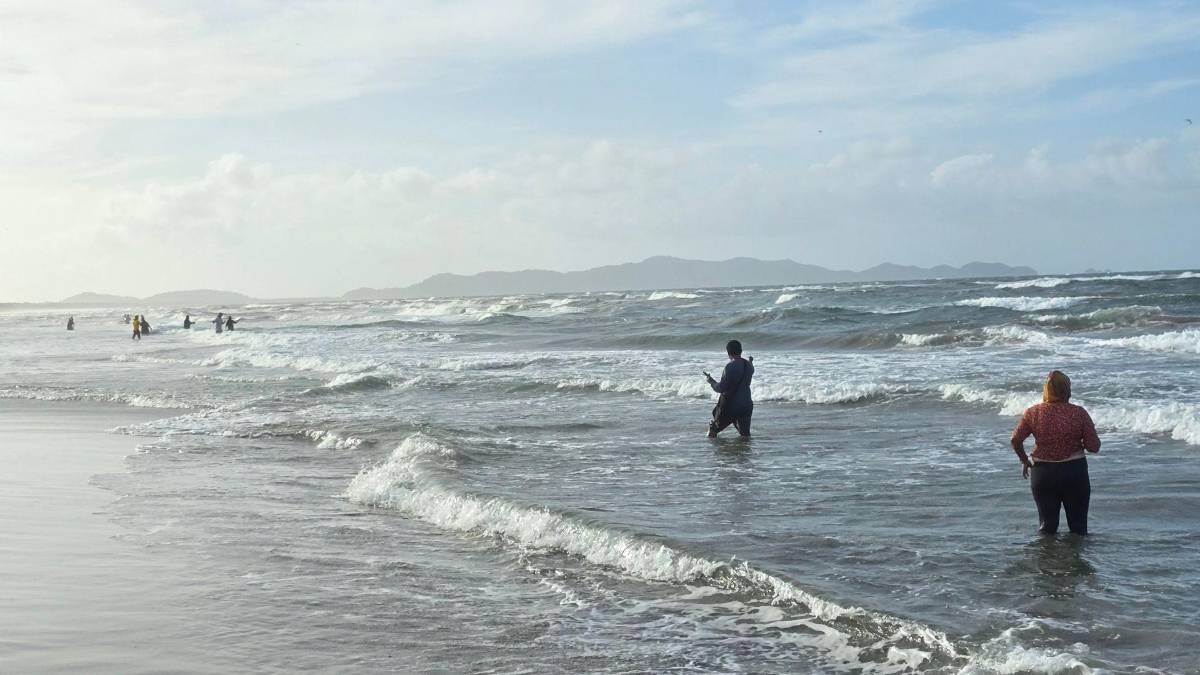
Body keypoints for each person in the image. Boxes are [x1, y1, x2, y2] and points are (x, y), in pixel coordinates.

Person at [1010, 370, 1101, 535]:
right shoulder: (1078, 413)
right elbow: (1094, 446)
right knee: (1078, 528)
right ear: (1067, 390)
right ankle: (1075, 560)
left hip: (1043, 474)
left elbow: (1015, 439)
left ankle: (1046, 559)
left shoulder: (1033, 412)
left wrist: (1024, 460)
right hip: (1074, 472)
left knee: (1047, 527)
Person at [704, 339, 754, 438]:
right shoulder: (749, 366)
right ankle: (745, 453)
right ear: (741, 351)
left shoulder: (730, 367)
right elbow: (748, 369)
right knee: (745, 436)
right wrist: (750, 361)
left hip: (731, 406)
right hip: (746, 405)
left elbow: (720, 388)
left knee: (713, 430)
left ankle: (708, 451)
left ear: (728, 353)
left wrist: (711, 381)